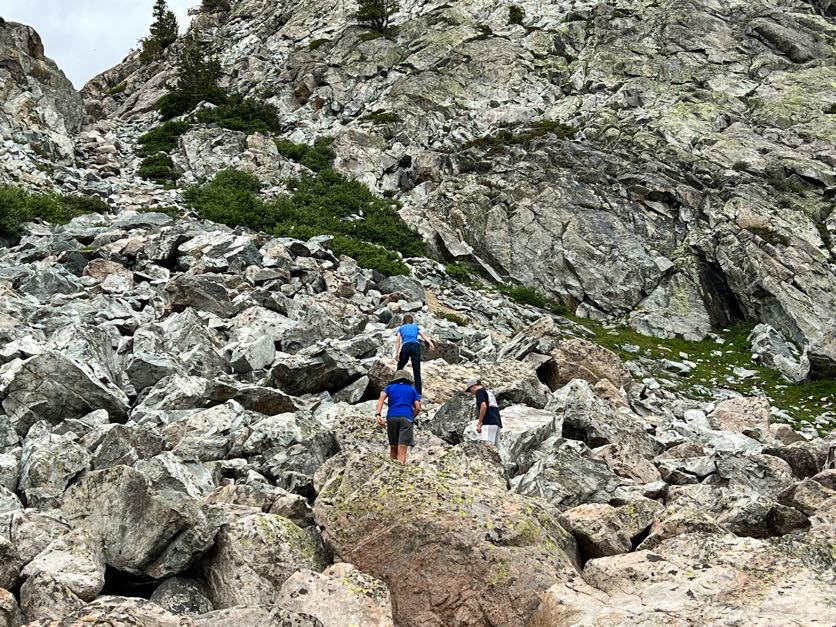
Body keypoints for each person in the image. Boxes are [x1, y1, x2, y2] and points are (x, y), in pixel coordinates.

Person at [376, 369, 421, 463]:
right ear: (408, 380)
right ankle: (400, 468)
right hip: (406, 418)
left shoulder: (389, 388)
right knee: (403, 446)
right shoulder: (412, 390)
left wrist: (378, 414)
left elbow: (381, 399)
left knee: (393, 446)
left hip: (392, 417)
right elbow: (418, 407)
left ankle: (391, 467)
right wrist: (411, 417)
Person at [394, 313, 435, 397]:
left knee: (400, 367)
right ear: (412, 321)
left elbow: (398, 340)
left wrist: (397, 353)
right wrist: (430, 343)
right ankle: (418, 393)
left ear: (404, 321)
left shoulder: (401, 328)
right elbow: (423, 336)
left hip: (406, 346)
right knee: (417, 370)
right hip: (415, 346)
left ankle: (395, 386)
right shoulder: (416, 327)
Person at [465, 378, 502, 446]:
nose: (471, 392)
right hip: (497, 423)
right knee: (496, 448)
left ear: (473, 386)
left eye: (470, 390)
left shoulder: (479, 392)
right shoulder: (489, 393)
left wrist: (479, 423)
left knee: (487, 446)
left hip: (488, 423)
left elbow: (484, 406)